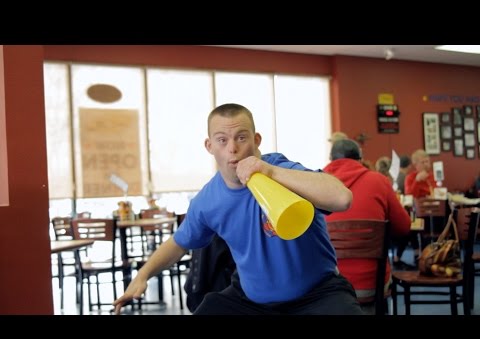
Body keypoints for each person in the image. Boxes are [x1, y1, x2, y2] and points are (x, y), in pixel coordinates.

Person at [113, 103, 363, 315]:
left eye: (241, 138)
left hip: (317, 294)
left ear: (256, 141)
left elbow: (342, 198)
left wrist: (271, 171)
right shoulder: (207, 200)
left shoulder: (281, 169)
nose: (232, 148)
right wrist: (143, 275)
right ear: (209, 146)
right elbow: (179, 243)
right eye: (222, 140)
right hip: (251, 301)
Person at [323, 139, 411, 312]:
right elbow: (404, 227)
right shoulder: (379, 181)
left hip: (327, 287)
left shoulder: (314, 183)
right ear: (361, 158)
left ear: (331, 158)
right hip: (371, 285)